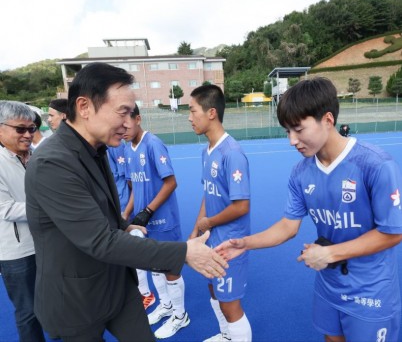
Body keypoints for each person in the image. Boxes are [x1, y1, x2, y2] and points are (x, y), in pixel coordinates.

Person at [24, 62, 227, 341]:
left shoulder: (97, 148)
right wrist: (183, 253)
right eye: (123, 112)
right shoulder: (52, 162)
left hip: (117, 287)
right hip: (77, 301)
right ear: (84, 107)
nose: (128, 122)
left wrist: (125, 225)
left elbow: (101, 211)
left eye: (132, 113)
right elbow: (99, 240)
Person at [216, 77, 402, 342]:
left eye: (298, 129)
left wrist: (329, 252)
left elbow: (393, 232)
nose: (292, 140)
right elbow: (287, 226)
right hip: (329, 285)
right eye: (287, 131)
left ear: (327, 120)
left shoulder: (375, 165)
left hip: (370, 291)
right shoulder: (301, 172)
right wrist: (245, 243)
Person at [188, 85, 252, 342]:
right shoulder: (207, 152)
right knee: (213, 290)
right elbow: (209, 193)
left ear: (211, 112)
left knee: (230, 305)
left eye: (193, 111)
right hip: (212, 238)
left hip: (231, 242)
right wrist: (196, 229)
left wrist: (209, 222)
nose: (190, 118)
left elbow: (241, 206)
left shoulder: (232, 153)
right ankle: (227, 336)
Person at [122, 106, 189, 339]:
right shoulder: (127, 148)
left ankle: (181, 316)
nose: (123, 130)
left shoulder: (153, 144)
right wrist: (127, 213)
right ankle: (167, 306)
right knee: (153, 268)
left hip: (163, 220)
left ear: (138, 119)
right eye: (120, 126)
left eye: (127, 124)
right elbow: (134, 188)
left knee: (170, 269)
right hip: (143, 223)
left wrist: (148, 210)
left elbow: (171, 183)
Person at [0, 101, 45, 341]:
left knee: (53, 298)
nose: (28, 134)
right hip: (17, 253)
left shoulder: (36, 155)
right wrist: (52, 208)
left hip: (47, 243)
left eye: (31, 129)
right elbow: (5, 209)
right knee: (28, 312)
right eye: (20, 129)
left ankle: (58, 330)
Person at [107, 135, 157, 311]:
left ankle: (145, 294)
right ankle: (134, 291)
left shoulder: (116, 146)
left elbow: (132, 184)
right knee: (118, 254)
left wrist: (127, 212)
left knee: (132, 253)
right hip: (114, 210)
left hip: (123, 210)